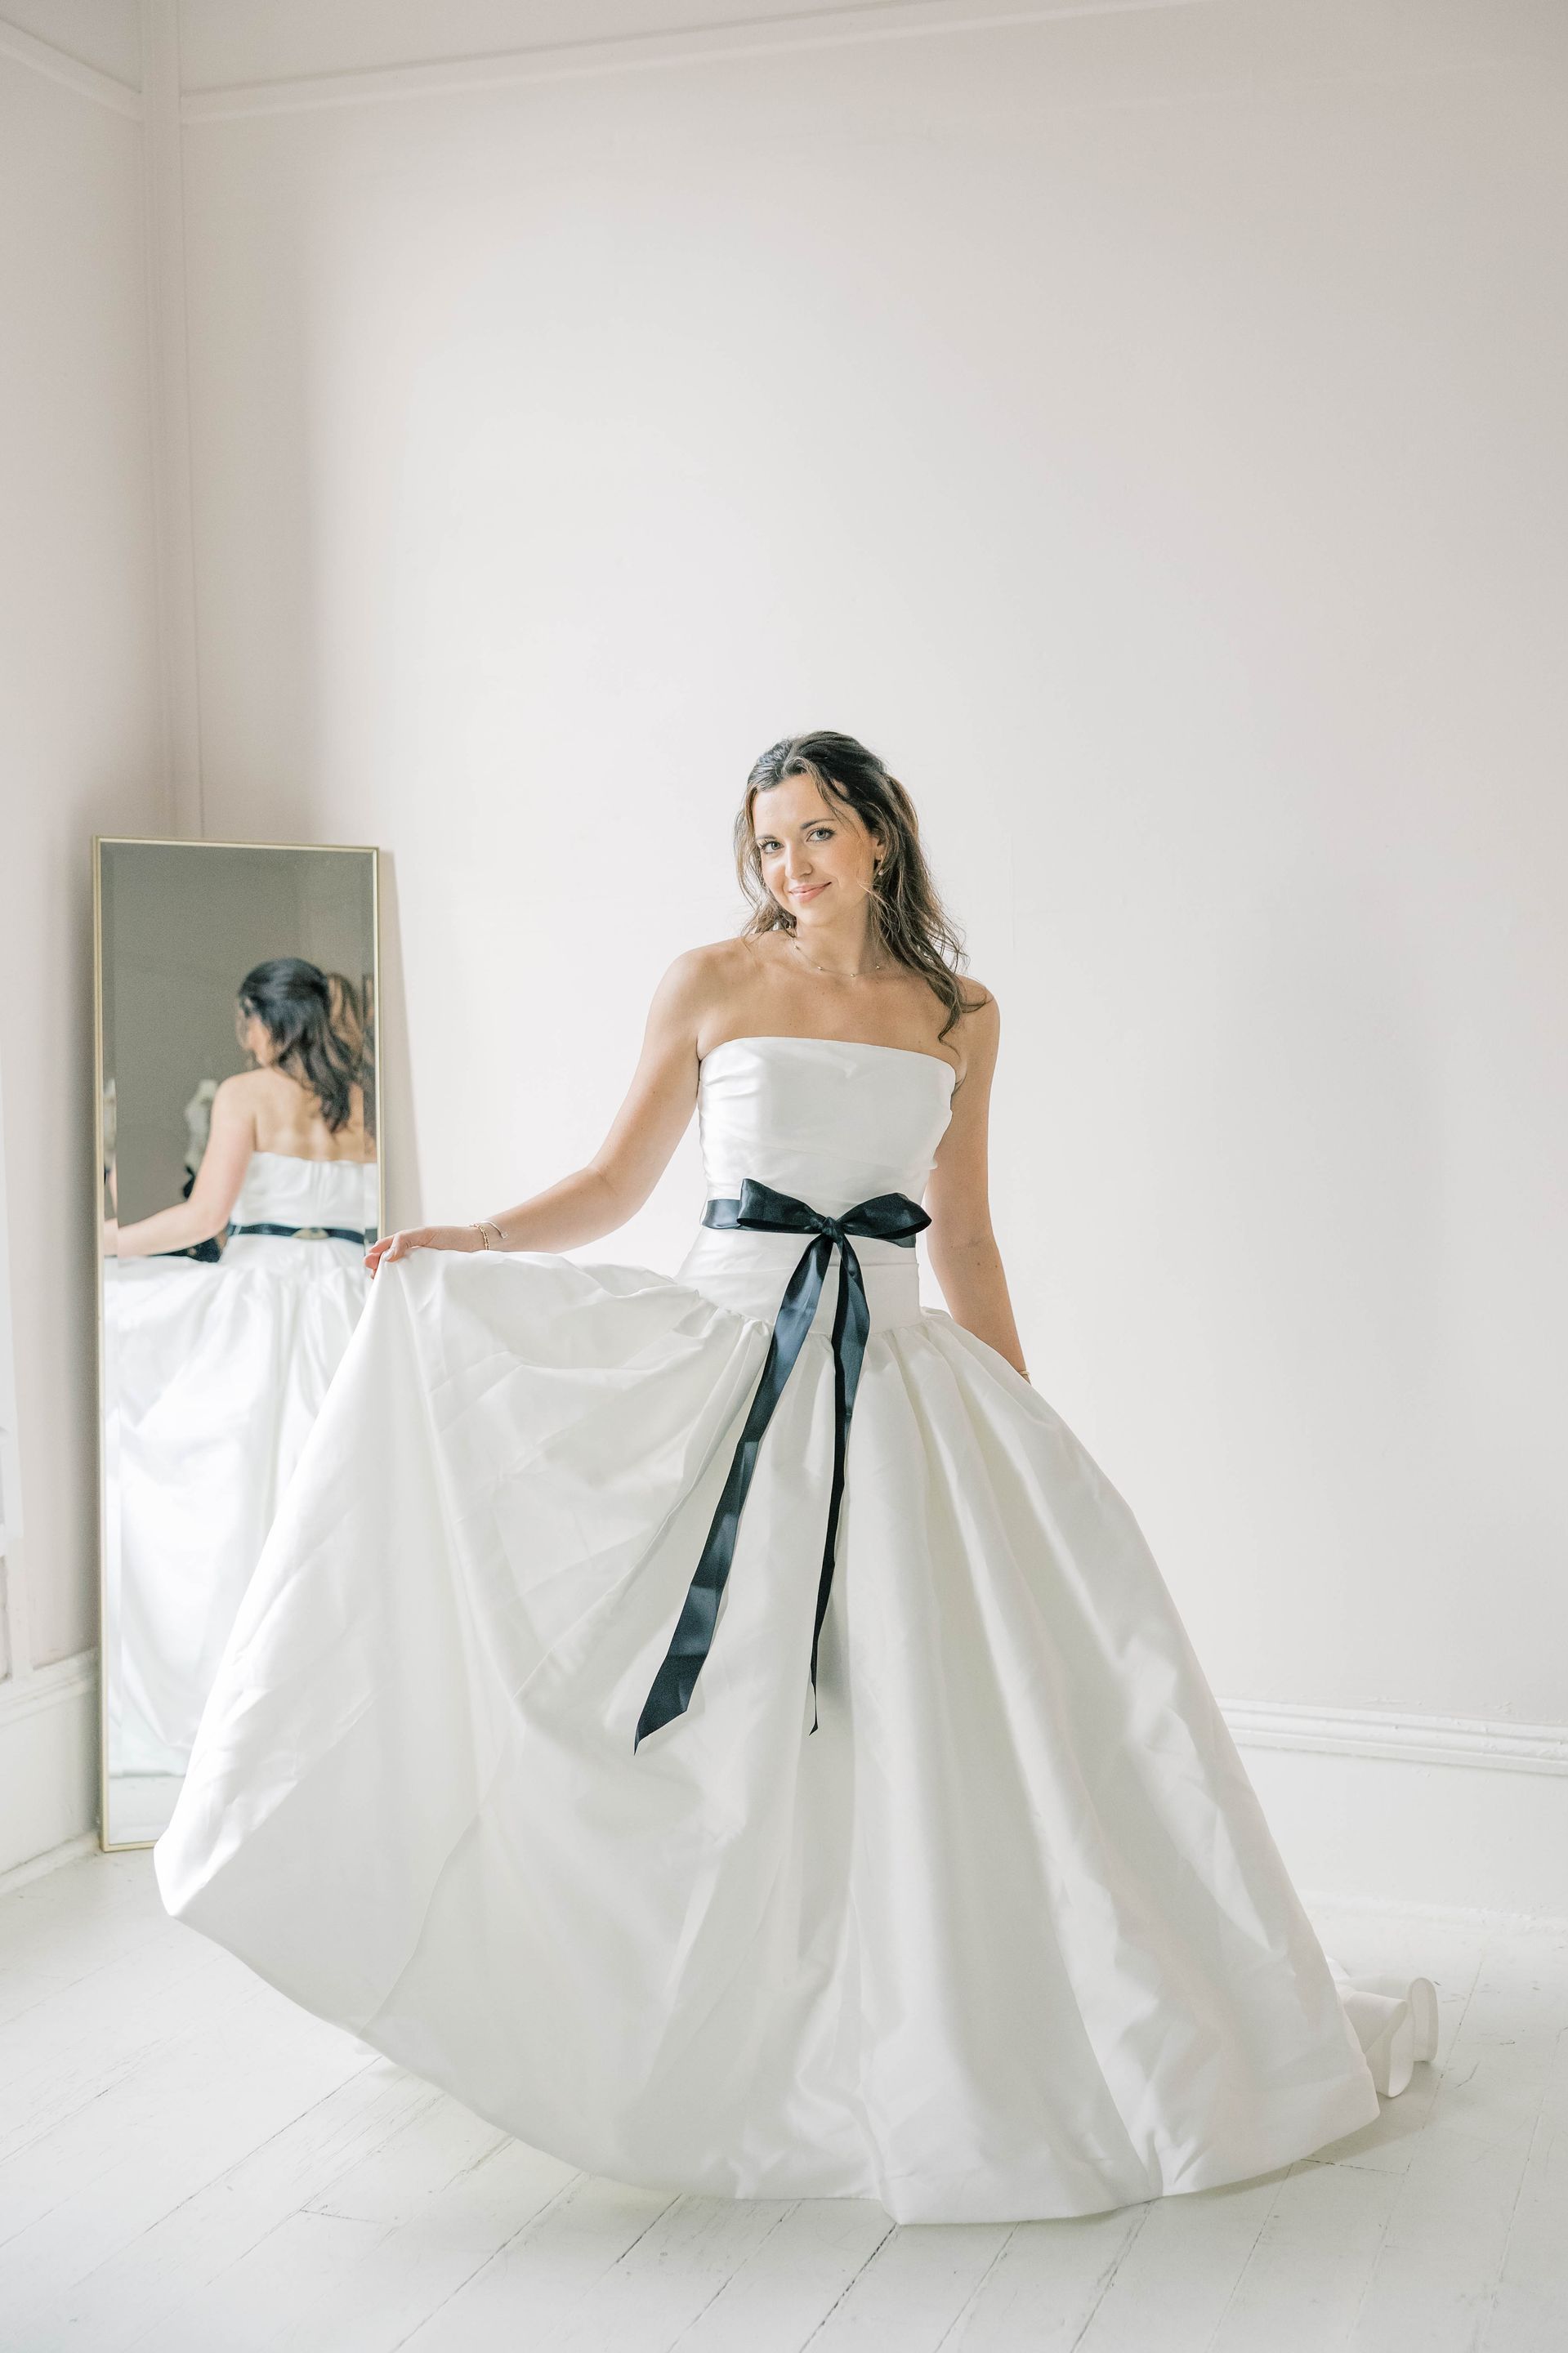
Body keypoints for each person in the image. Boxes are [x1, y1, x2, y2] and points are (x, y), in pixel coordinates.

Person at [154, 735, 1433, 2225]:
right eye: (770, 845)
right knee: (690, 1701)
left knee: (917, 1713)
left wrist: (1027, 1429)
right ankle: (648, 2013)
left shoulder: (959, 1013)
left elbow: (965, 1239)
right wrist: (471, 1242)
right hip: (718, 1366)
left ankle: (903, 2027)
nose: (791, 869)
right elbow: (618, 1184)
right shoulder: (709, 982)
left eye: (817, 835)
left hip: (892, 1377)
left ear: (880, 839)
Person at [106, 959, 378, 1776]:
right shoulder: (366, 1101)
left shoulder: (244, 1093)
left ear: (266, 1021)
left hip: (265, 1299)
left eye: (244, 1021)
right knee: (328, 1493)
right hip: (350, 1300)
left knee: (234, 1487)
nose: (243, 1038)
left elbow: (204, 1215)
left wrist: (109, 1239)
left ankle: (236, 1690)